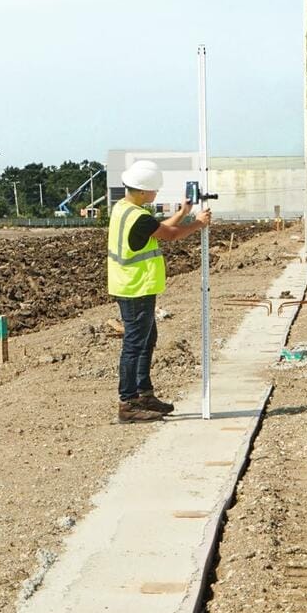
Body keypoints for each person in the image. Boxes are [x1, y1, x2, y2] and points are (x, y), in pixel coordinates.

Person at [108, 159, 211, 422]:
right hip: (136, 287)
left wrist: (185, 211)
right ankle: (128, 403)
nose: (156, 194)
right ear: (143, 191)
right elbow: (171, 235)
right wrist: (198, 223)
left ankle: (144, 394)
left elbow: (160, 228)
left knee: (146, 339)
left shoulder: (124, 208)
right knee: (134, 344)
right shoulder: (139, 217)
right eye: (154, 190)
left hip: (130, 285)